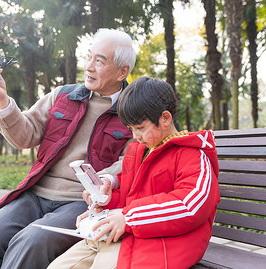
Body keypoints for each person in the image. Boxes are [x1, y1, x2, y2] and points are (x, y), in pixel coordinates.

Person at [0, 28, 136, 269]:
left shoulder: (133, 111)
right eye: (89, 57)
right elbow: (25, 135)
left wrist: (108, 178)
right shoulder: (63, 96)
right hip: (35, 193)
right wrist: (1, 98)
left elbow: (131, 160)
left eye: (100, 61)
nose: (89, 66)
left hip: (82, 202)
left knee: (30, 243)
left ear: (122, 72)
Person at [48, 76, 220, 269]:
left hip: (165, 243)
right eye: (131, 129)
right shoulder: (138, 151)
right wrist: (103, 204)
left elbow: (190, 205)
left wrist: (128, 218)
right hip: (126, 234)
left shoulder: (193, 155)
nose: (135, 136)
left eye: (140, 128)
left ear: (165, 118)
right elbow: (129, 197)